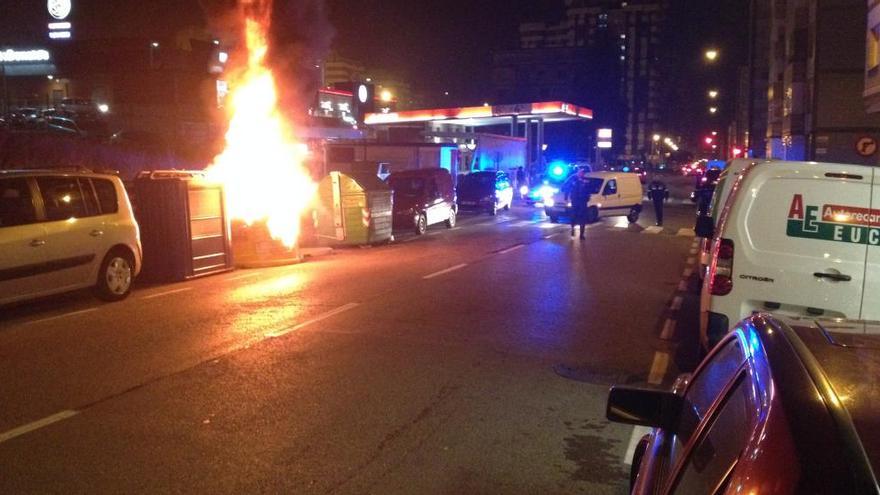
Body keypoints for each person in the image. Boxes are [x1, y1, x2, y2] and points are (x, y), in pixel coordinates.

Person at [564, 167, 592, 239]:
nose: (582, 173)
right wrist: (566, 196)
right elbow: (566, 187)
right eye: (580, 172)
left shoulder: (586, 180)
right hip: (575, 200)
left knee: (582, 218)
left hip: (583, 201)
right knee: (574, 216)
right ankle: (572, 229)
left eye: (583, 172)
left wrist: (588, 197)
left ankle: (581, 234)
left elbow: (590, 189)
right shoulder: (573, 179)